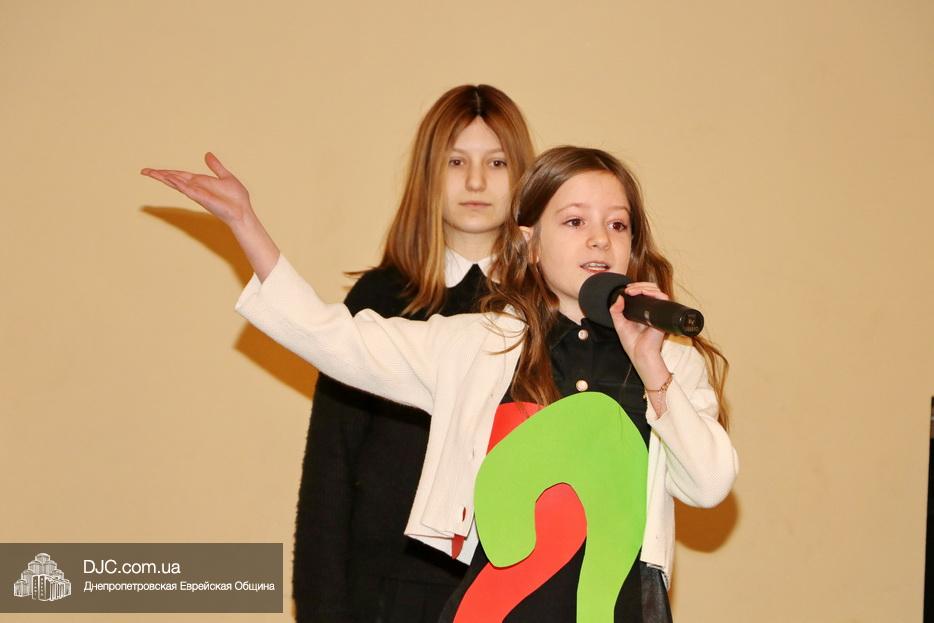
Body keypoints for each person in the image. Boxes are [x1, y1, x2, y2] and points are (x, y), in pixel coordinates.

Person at [142, 145, 737, 622]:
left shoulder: (672, 363)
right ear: (529, 241)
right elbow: (338, 338)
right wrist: (246, 227)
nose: (599, 239)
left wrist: (652, 368)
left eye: (617, 224)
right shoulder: (480, 345)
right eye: (575, 221)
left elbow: (708, 486)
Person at [146, 84, 535, 623]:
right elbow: (330, 465)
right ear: (428, 174)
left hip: (514, 592)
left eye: (496, 162)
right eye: (455, 161)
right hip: (383, 592)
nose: (475, 181)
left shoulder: (546, 310)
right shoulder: (381, 298)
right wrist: (320, 606)